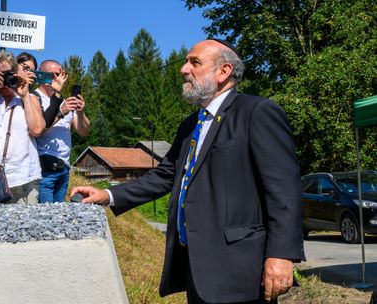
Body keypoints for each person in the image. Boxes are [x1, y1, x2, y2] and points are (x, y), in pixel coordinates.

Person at [71, 39, 305, 303]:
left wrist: (281, 255)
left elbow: (284, 189)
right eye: (186, 61)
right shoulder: (190, 125)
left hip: (240, 270)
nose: (183, 69)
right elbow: (165, 175)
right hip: (197, 269)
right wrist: (108, 195)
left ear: (224, 72)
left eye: (195, 62)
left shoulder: (256, 112)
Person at [0, 51, 44, 204]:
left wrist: (25, 95)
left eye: (9, 74)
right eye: (0, 75)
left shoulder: (29, 98)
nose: (6, 79)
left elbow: (37, 130)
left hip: (23, 179)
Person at [35, 60, 90, 203]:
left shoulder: (64, 101)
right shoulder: (34, 98)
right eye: (54, 75)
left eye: (61, 75)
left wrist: (80, 112)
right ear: (43, 76)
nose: (59, 79)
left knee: (59, 215)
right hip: (44, 168)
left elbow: (83, 131)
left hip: (64, 167)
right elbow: (37, 129)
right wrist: (60, 112)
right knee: (45, 216)